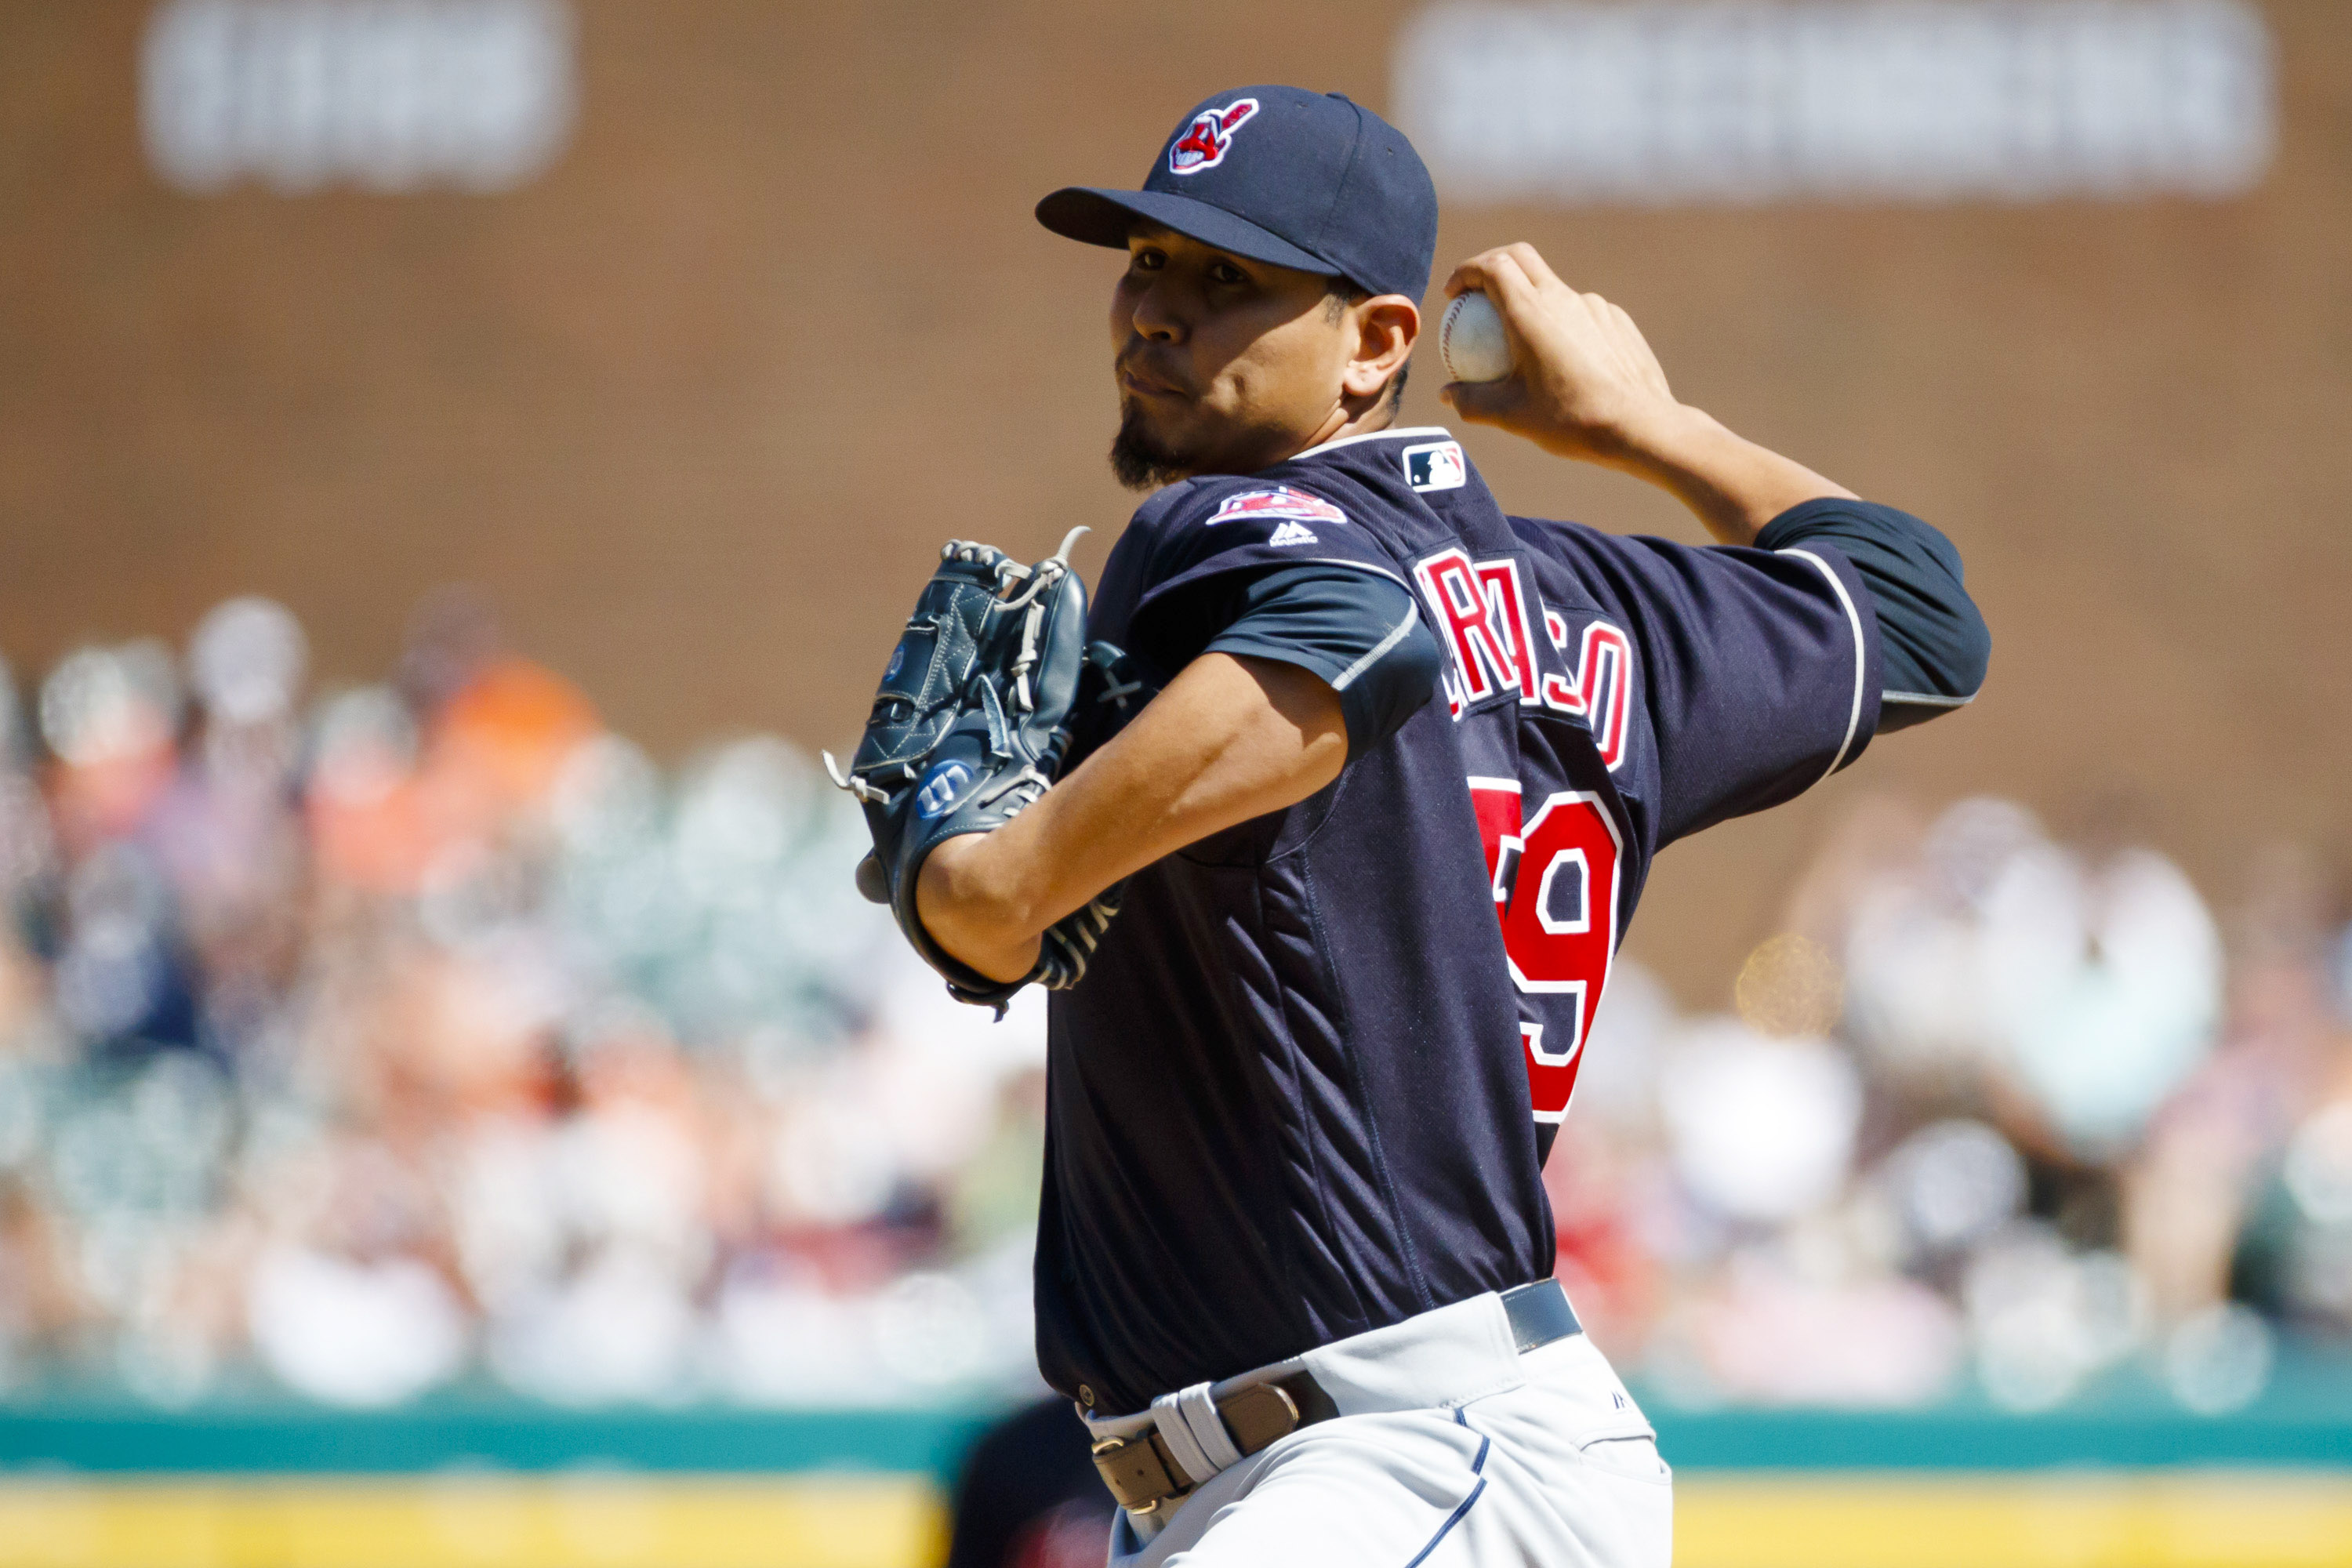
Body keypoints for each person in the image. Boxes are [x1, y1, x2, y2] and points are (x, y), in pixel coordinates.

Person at [909, 85, 1989, 1565]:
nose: (1160, 311)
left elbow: (1352, 637)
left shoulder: (1217, 531)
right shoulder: (1607, 609)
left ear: (1376, 345)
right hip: (1416, 1457)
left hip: (1396, 1459)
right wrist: (1649, 430)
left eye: (1233, 280)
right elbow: (1918, 612)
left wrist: (999, 887)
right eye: (1149, 260)